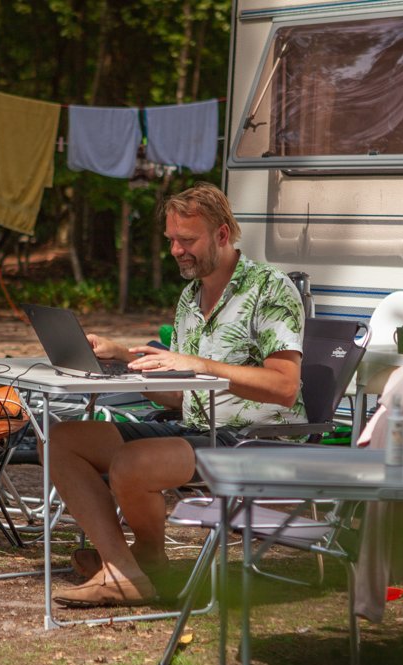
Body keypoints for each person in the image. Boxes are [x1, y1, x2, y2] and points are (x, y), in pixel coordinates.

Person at [47, 182, 307, 608]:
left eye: (187, 240)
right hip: (197, 428)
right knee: (62, 438)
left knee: (133, 462)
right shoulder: (191, 297)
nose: (175, 250)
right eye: (171, 240)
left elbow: (284, 386)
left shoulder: (270, 289)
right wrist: (125, 362)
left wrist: (201, 366)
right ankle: (126, 567)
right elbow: (182, 396)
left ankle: (140, 561)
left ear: (222, 235)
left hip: (253, 438)